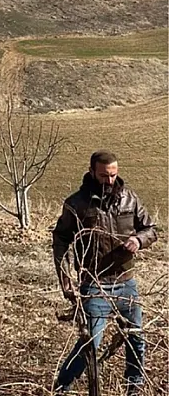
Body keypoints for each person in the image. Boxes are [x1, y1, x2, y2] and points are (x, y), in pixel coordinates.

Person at [51, 151, 157, 395]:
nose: (109, 180)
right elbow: (61, 240)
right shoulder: (77, 203)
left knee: (136, 338)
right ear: (91, 172)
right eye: (103, 175)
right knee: (91, 342)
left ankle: (134, 387)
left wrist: (139, 241)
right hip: (94, 284)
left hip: (126, 282)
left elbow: (151, 229)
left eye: (113, 175)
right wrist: (65, 278)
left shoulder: (129, 199)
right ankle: (61, 387)